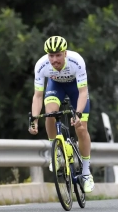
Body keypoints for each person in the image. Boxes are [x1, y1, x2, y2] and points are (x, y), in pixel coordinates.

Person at [29, 36, 94, 193]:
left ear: (65, 53)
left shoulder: (76, 61)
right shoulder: (41, 65)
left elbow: (83, 91)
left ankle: (86, 172)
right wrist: (34, 119)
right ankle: (56, 151)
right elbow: (38, 96)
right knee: (50, 114)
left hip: (75, 89)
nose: (54, 59)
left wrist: (77, 114)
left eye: (58, 55)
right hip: (56, 86)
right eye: (51, 56)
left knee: (81, 128)